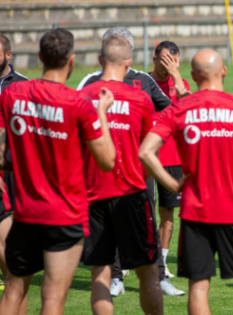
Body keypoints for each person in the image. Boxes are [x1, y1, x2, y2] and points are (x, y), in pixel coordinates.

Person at [139, 49, 233, 315]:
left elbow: (145, 152)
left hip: (194, 213)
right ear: (223, 71)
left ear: (194, 76)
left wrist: (173, 184)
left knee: (199, 286)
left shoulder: (178, 109)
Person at [0, 28, 116, 315]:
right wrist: (102, 111)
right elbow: (107, 161)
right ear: (72, 60)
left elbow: (3, 152)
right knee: (53, 300)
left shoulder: (13, 94)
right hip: (65, 215)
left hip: (25, 213)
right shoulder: (79, 105)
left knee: (13, 291)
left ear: (39, 57)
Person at [77, 27, 183, 297]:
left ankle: (160, 276)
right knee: (109, 229)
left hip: (137, 174)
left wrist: (178, 82)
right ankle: (116, 277)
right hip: (99, 175)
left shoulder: (143, 83)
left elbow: (172, 112)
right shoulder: (89, 83)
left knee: (148, 226)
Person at [149, 40, 191, 279]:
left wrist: (176, 76)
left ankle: (161, 265)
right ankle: (125, 263)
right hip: (145, 158)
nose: (168, 65)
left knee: (167, 214)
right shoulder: (142, 82)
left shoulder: (181, 85)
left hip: (172, 157)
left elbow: (189, 110)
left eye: (173, 61)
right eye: (164, 60)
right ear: (154, 59)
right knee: (140, 212)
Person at [0, 34, 27, 295]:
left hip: (14, 163)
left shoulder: (23, 85)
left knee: (13, 217)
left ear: (8, 55)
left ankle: (13, 275)